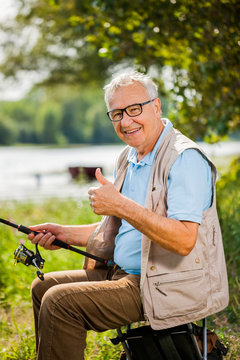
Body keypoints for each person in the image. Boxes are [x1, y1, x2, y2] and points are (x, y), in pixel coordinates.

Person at [28, 70, 228, 360]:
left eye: (135, 109)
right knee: (42, 286)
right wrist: (64, 233)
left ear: (156, 107)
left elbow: (184, 240)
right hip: (125, 275)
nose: (126, 121)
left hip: (165, 284)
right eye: (116, 113)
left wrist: (120, 205)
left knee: (61, 303)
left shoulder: (184, 158)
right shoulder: (129, 156)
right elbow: (128, 229)